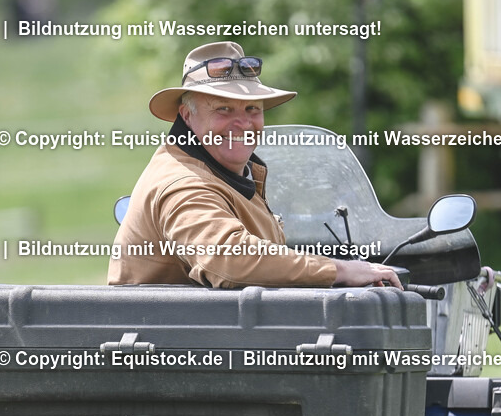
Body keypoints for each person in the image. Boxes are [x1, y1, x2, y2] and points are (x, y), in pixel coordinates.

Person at [107, 41, 402, 289]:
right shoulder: (184, 184)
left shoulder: (225, 173)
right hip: (173, 341)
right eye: (223, 109)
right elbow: (229, 259)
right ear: (186, 116)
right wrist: (339, 270)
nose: (243, 123)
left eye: (251, 109)